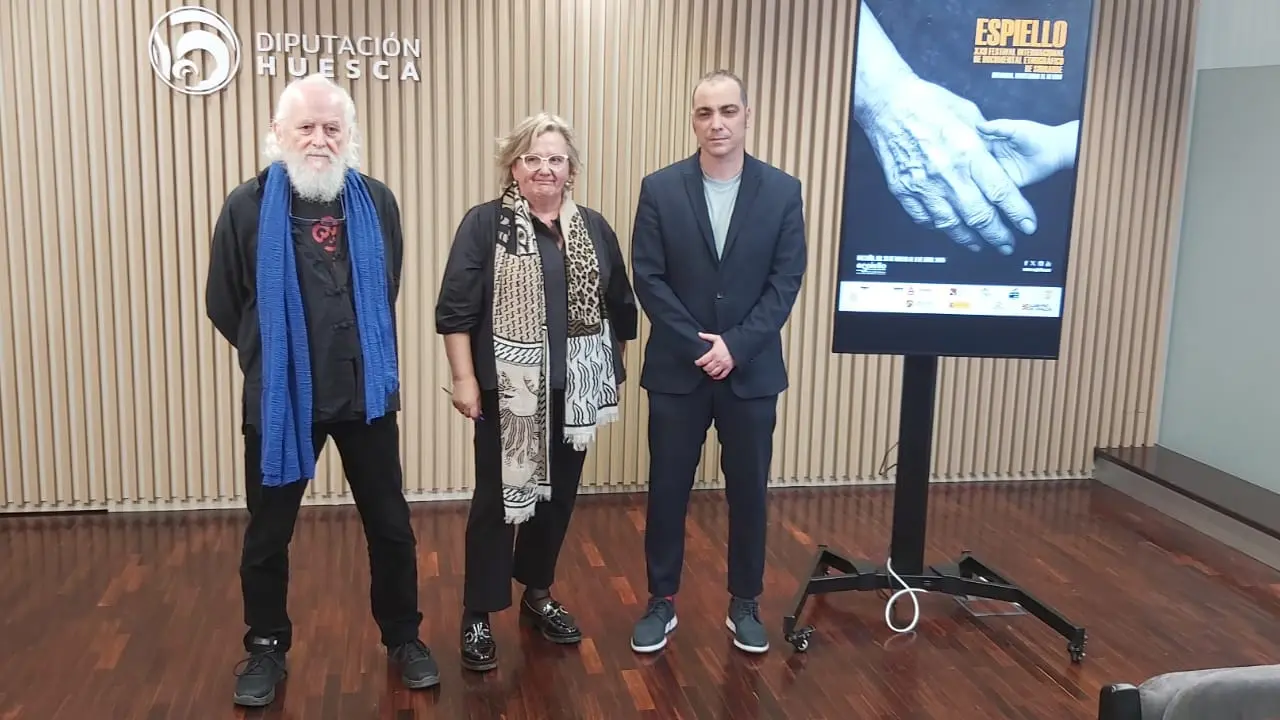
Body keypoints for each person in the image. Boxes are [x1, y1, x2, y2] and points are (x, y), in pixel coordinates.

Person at [205, 73, 439, 707]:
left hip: (364, 396)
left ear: (349, 135)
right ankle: (266, 646)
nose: (318, 139)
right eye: (305, 126)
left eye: (332, 128)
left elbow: (385, 288)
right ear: (277, 133)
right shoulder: (246, 207)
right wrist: (276, 358)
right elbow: (225, 303)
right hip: (284, 402)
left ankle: (403, 637)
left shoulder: (376, 202)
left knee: (391, 526)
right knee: (267, 534)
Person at [435, 112, 637, 672]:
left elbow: (619, 306)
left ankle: (538, 592)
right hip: (507, 394)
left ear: (571, 170)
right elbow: (455, 311)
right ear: (513, 167)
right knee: (496, 505)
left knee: (557, 500)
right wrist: (464, 379)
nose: (544, 168)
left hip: (574, 395)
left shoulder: (594, 228)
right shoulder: (484, 225)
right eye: (531, 158)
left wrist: (609, 371)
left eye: (555, 159)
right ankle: (478, 612)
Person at [628, 70, 806, 655]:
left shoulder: (782, 191)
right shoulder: (660, 189)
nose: (717, 123)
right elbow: (649, 278)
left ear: (747, 115)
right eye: (705, 113)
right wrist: (701, 346)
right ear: (693, 120)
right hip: (678, 371)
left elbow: (785, 281)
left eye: (728, 111)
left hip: (750, 372)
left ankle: (745, 602)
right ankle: (661, 601)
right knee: (668, 490)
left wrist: (737, 345)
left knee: (749, 492)